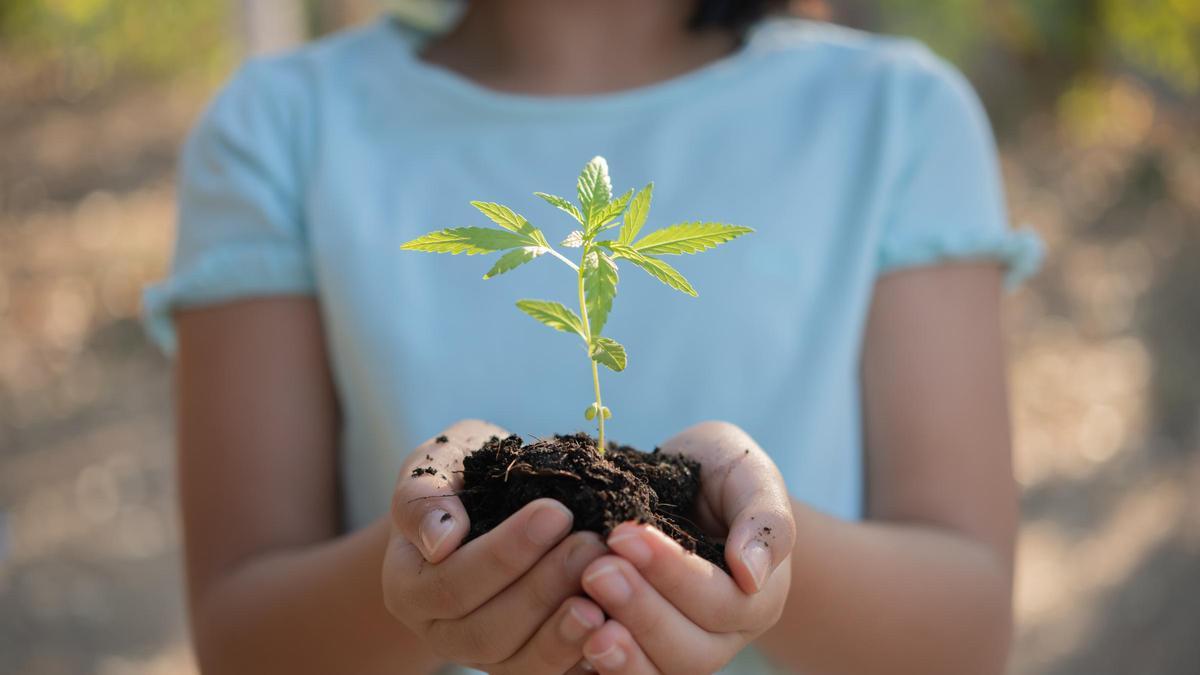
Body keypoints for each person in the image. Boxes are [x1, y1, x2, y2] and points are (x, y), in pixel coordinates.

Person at [143, 0, 1042, 673]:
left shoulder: (893, 115)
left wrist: (754, 546)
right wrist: (424, 570)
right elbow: (241, 639)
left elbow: (965, 632)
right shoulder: (277, 127)